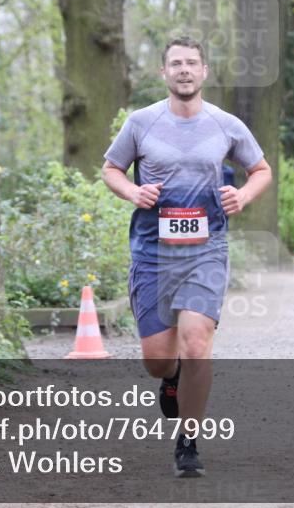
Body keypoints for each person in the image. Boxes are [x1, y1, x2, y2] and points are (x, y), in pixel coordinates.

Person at [102, 37, 272, 477]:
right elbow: (110, 169)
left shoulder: (225, 124)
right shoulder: (141, 123)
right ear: (163, 73)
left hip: (206, 249)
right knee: (158, 359)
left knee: (197, 342)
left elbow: (261, 170)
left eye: (191, 63)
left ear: (204, 72)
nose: (183, 70)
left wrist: (244, 196)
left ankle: (189, 440)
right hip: (153, 252)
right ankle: (171, 378)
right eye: (175, 64)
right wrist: (133, 191)